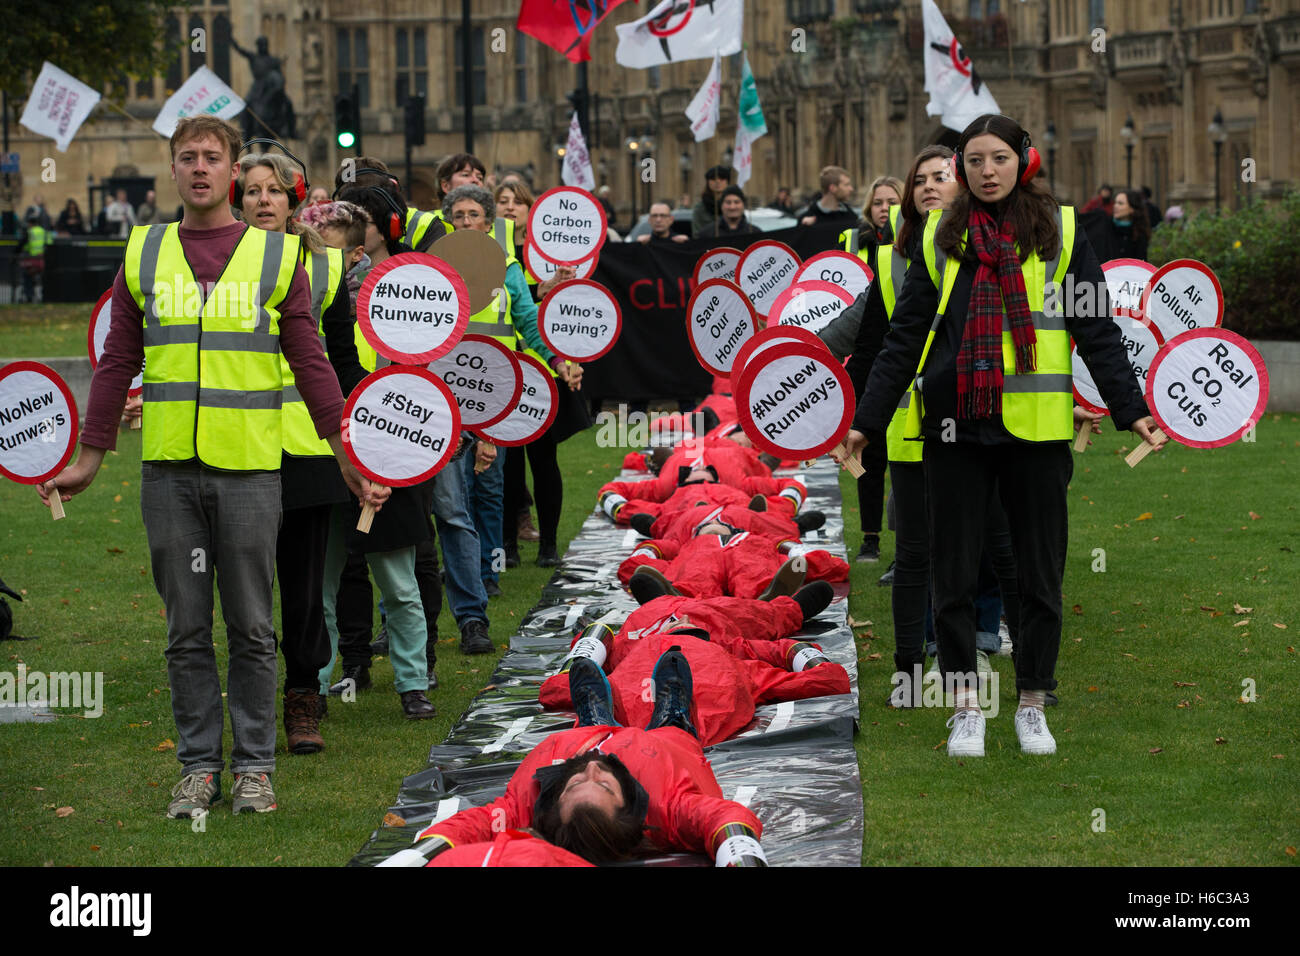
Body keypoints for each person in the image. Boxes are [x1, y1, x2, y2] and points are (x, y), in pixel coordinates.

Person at [38, 115, 388, 818]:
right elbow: (117, 363)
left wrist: (346, 454)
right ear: (173, 170)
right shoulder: (143, 252)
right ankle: (199, 768)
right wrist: (90, 456)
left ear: (229, 171)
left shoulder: (276, 259)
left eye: (211, 157)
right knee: (186, 630)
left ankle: (255, 766)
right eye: (186, 157)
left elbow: (313, 366)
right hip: (169, 471)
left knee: (255, 628)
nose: (199, 167)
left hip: (252, 473)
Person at [839, 114, 1165, 758]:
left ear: (1025, 162)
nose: (987, 171)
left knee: (1039, 576)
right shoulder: (938, 233)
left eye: (999, 159)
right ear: (962, 170)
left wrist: (1131, 410)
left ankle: (1033, 703)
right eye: (975, 161)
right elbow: (905, 339)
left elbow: (1095, 331)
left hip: (1038, 436)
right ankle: (966, 706)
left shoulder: (1062, 232)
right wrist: (864, 423)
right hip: (956, 428)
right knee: (952, 572)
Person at [236, 151, 371, 749]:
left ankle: (302, 698)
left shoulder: (322, 266)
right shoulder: (217, 262)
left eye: (274, 191)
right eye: (252, 191)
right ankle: (252, 698)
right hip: (236, 445)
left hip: (308, 449)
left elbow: (342, 357)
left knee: (304, 581)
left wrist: (353, 442)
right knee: (244, 585)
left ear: (296, 200)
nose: (263, 200)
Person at [403, 656, 767, 866]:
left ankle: (595, 719)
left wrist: (412, 858)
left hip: (578, 742)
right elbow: (723, 817)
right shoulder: (669, 808)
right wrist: (742, 855)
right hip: (661, 752)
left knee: (585, 739)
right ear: (627, 807)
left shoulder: (525, 804)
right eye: (604, 784)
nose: (593, 769)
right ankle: (675, 715)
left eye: (575, 784)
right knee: (675, 736)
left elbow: (472, 826)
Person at [326, 170, 445, 695]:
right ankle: (342, 670)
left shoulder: (411, 286)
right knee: (336, 575)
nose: (356, 233)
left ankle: (416, 676)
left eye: (366, 222)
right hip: (335, 443)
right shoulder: (322, 287)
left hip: (396, 440)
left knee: (406, 571)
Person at [442, 184, 580, 589]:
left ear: (488, 222)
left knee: (490, 490)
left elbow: (529, 325)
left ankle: (491, 571)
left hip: (493, 397)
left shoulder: (509, 268)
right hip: (448, 394)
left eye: (473, 215)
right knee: (455, 495)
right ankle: (465, 573)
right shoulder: (439, 266)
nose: (466, 222)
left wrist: (558, 360)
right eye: (458, 216)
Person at [1081, 186, 1150, 262]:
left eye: (1120, 203)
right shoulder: (1104, 224)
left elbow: (1140, 265)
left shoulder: (1139, 234)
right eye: (1115, 202)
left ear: (1132, 209)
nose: (1115, 206)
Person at [691, 164, 732, 238]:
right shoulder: (700, 208)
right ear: (708, 182)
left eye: (722, 179)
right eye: (713, 179)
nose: (717, 181)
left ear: (727, 182)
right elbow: (697, 235)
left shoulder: (734, 205)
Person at [17, 211, 47, 303]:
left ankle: (29, 295)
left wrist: (15, 252)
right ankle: (40, 295)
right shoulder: (43, 231)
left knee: (26, 275)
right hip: (41, 260)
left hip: (32, 260)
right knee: (36, 276)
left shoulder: (29, 232)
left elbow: (21, 245)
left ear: (30, 223)